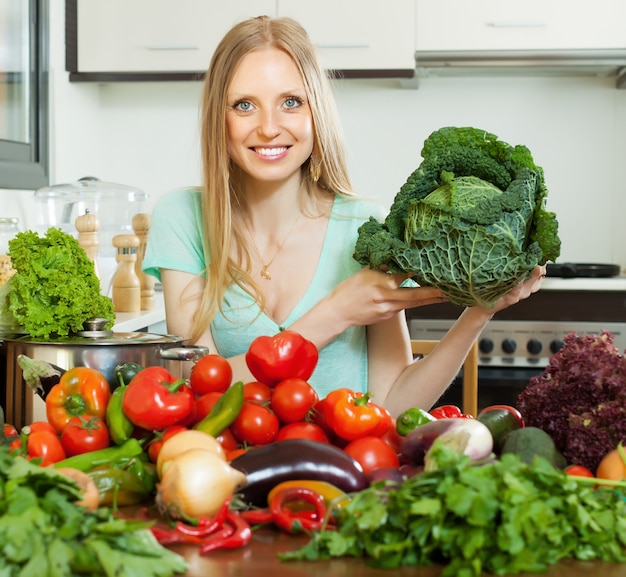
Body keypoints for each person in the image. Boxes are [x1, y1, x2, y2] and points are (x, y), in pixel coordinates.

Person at [142, 15, 545, 418]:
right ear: (220, 118)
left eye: (291, 102)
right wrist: (336, 314)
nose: (268, 127)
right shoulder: (182, 219)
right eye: (244, 105)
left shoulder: (364, 227)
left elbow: (393, 404)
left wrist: (480, 311)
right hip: (224, 473)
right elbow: (194, 390)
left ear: (316, 112)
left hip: (347, 473)